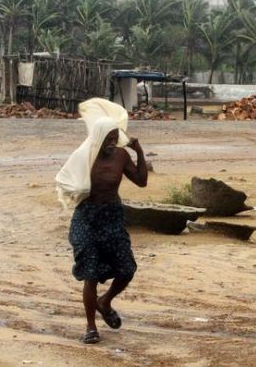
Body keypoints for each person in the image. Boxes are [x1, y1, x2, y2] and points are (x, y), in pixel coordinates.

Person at [56, 114, 148, 344]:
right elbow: (64, 178)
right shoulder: (83, 157)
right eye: (108, 138)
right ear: (98, 137)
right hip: (87, 218)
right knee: (91, 273)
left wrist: (139, 152)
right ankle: (90, 327)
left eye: (115, 138)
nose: (112, 142)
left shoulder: (121, 155)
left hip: (112, 216)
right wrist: (77, 188)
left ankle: (105, 302)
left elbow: (141, 181)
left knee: (126, 268)